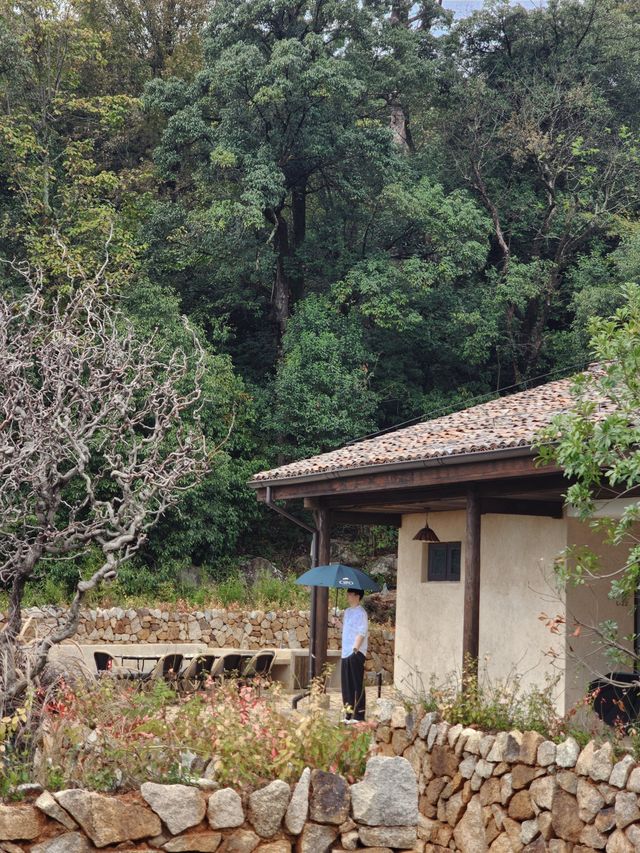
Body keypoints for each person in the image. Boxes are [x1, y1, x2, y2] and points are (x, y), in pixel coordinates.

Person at [340, 587, 368, 722]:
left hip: (356, 652)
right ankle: (348, 714)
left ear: (358, 596)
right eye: (348, 594)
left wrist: (355, 649)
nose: (348, 596)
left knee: (357, 683)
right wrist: (337, 623)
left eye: (350, 594)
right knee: (346, 685)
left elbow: (361, 632)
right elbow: (347, 629)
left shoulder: (361, 613)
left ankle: (359, 714)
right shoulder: (347, 612)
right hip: (345, 652)